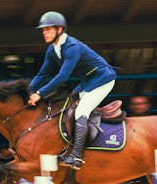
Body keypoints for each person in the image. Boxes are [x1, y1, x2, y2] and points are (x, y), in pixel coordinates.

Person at [27, 11, 117, 170]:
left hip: (103, 79)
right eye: (43, 30)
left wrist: (40, 94)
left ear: (59, 29)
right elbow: (43, 74)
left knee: (81, 111)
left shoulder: (72, 47)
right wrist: (29, 91)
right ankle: (68, 149)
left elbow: (62, 77)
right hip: (88, 81)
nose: (44, 33)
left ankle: (76, 156)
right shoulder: (52, 50)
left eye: (48, 29)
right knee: (67, 106)